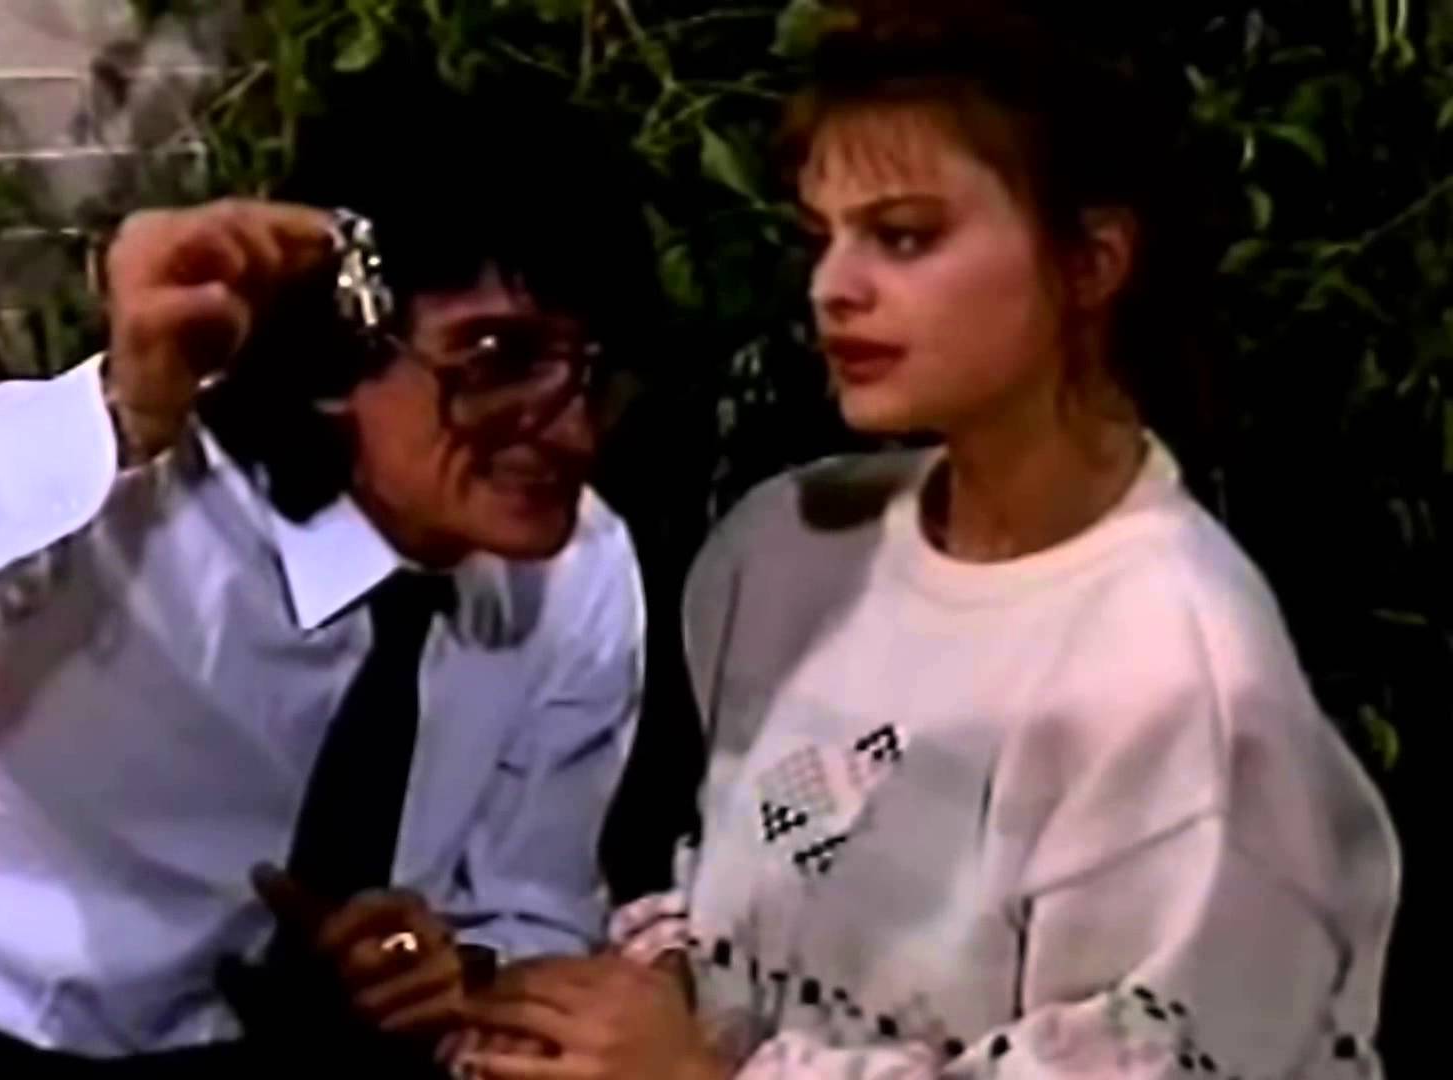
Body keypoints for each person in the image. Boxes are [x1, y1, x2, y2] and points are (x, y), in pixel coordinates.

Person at [450, 4, 1401, 1078]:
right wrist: (622, 1005)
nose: (834, 288)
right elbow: (747, 902)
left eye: (903, 236)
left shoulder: (1185, 673)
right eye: (822, 239)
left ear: (1092, 260)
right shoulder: (785, 549)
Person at [0, 84, 652, 1075]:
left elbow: (531, 913)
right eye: (499, 361)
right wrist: (115, 412)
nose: (571, 430)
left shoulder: (579, 574)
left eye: (595, 369)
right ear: (339, 355)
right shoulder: (113, 489)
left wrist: (447, 968)